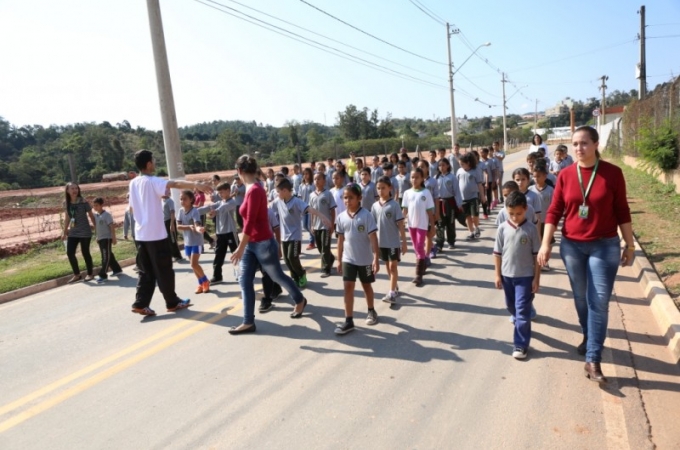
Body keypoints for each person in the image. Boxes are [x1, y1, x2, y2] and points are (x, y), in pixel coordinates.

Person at [537, 126, 635, 383]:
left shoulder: (613, 174)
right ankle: (588, 334)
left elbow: (622, 211)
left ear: (595, 144)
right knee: (581, 297)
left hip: (605, 246)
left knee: (599, 300)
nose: (578, 148)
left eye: (584, 143)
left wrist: (629, 244)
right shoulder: (566, 175)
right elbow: (554, 211)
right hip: (572, 246)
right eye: (575, 144)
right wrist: (546, 244)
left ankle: (593, 358)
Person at [229, 155, 309, 334]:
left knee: (277, 276)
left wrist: (240, 247)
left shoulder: (255, 190)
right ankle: (248, 321)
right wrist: (244, 246)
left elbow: (249, 222)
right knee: (244, 281)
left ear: (239, 171)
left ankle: (299, 299)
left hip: (263, 243)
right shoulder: (251, 187)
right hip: (251, 243)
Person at [128, 149, 212, 316]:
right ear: (149, 164)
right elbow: (175, 184)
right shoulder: (152, 181)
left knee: (146, 271)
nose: (155, 163)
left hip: (141, 235)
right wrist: (196, 185)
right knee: (164, 270)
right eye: (154, 161)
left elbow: (131, 208)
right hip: (156, 235)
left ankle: (140, 303)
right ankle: (172, 302)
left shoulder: (133, 183)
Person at [493, 191, 541, 360]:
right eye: (511, 213)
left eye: (518, 213)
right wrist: (497, 275)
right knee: (511, 307)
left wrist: (536, 278)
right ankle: (521, 322)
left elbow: (537, 256)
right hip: (507, 277)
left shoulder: (531, 229)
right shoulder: (502, 228)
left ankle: (520, 344)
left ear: (526, 209)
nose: (514, 217)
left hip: (525, 277)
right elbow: (497, 254)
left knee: (522, 311)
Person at [334, 183, 381, 335]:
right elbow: (340, 240)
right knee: (348, 286)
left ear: (359, 198)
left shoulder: (366, 215)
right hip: (349, 259)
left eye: (351, 198)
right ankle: (348, 320)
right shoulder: (341, 217)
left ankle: (371, 310)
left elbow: (373, 238)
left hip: (365, 259)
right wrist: (339, 259)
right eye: (345, 198)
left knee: (366, 286)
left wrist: (376, 258)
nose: (347, 201)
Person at [273, 178, 332, 288]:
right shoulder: (278, 201)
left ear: (285, 191)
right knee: (286, 260)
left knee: (292, 257)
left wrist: (322, 216)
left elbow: (310, 209)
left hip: (295, 235)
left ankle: (301, 274)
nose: (277, 194)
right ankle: (295, 278)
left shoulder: (296, 201)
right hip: (284, 236)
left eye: (278, 191)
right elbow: (267, 207)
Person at [372, 176, 407, 304]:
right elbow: (372, 226)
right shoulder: (375, 206)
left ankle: (391, 293)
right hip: (382, 243)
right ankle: (394, 285)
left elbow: (401, 225)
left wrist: (403, 242)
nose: (380, 191)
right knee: (387, 266)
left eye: (383, 188)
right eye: (378, 188)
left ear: (389, 188)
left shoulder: (394, 205)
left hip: (393, 242)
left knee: (393, 267)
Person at [402, 168, 436, 286]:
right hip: (411, 225)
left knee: (420, 247)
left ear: (422, 178)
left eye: (417, 177)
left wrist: (433, 226)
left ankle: (418, 275)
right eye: (412, 177)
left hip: (422, 225)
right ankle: (423, 263)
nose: (414, 179)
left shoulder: (426, 193)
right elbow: (405, 210)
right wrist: (400, 222)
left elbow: (430, 211)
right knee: (417, 249)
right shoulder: (407, 193)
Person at [201, 182, 238, 284]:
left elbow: (223, 208)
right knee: (218, 255)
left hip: (230, 232)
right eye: (219, 193)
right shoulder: (220, 202)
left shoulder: (232, 202)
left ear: (228, 190)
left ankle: (242, 273)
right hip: (220, 233)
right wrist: (194, 211)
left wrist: (215, 212)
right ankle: (217, 276)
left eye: (222, 192)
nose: (220, 194)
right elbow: (209, 207)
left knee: (236, 254)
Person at [176, 190, 211, 294]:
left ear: (191, 200)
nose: (182, 201)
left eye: (185, 199)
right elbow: (178, 226)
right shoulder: (180, 211)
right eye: (181, 199)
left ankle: (205, 281)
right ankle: (201, 283)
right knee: (192, 265)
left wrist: (198, 228)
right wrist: (188, 227)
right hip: (187, 242)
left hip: (196, 241)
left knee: (194, 263)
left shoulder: (194, 211)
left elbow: (197, 223)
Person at [62, 182, 96, 283]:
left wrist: (97, 229)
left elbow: (91, 215)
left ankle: (90, 274)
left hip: (85, 231)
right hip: (73, 232)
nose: (74, 190)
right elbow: (67, 217)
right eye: (72, 189)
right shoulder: (66, 203)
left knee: (85, 252)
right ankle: (77, 274)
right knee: (70, 253)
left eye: (76, 188)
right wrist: (64, 232)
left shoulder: (84, 201)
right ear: (67, 191)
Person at [308, 172, 337, 278]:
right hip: (316, 226)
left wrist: (332, 224)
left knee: (325, 248)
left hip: (326, 226)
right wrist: (311, 225)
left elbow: (332, 210)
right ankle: (331, 258)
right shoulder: (311, 195)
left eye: (319, 179)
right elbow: (311, 211)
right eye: (315, 179)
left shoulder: (328, 194)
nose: (316, 181)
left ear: (324, 181)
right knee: (320, 248)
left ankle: (326, 269)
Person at [92, 197, 122, 283]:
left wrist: (114, 237)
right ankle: (117, 269)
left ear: (101, 205)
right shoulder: (96, 215)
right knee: (109, 255)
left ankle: (103, 275)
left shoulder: (106, 215)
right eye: (94, 206)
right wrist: (97, 236)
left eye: (97, 205)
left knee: (105, 257)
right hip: (100, 238)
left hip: (107, 238)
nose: (95, 207)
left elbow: (111, 227)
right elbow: (97, 228)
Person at [418, 159, 441, 265]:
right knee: (422, 236)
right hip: (419, 213)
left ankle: (426, 256)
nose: (420, 168)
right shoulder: (416, 181)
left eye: (422, 166)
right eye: (419, 167)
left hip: (429, 212)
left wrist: (437, 212)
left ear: (427, 168)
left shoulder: (433, 181)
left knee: (428, 234)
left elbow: (436, 198)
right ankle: (432, 247)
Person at [457, 153, 485, 241]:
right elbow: (456, 185)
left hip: (473, 197)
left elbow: (480, 184)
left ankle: (477, 227)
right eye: (460, 164)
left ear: (468, 163)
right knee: (468, 217)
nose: (460, 166)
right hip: (463, 198)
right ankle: (471, 232)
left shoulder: (476, 170)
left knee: (474, 216)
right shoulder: (459, 171)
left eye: (462, 164)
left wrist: (483, 196)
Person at [513, 168, 543, 241]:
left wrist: (538, 235)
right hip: (514, 231)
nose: (520, 182)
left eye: (523, 179)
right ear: (513, 180)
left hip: (530, 231)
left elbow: (537, 217)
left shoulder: (534, 196)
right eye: (517, 180)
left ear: (528, 180)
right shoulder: (511, 196)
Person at [162, 191, 183, 262]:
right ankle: (172, 255)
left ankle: (177, 255)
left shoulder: (170, 201)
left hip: (170, 221)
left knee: (172, 239)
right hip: (164, 222)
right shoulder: (163, 201)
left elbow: (172, 213)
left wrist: (172, 224)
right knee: (167, 240)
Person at [299, 167, 316, 250]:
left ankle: (311, 242)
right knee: (305, 226)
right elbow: (300, 197)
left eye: (307, 174)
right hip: (303, 208)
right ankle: (315, 235)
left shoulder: (313, 185)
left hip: (310, 208)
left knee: (309, 225)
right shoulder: (301, 185)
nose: (305, 176)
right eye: (304, 174)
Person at [193, 186, 215, 250]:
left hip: (201, 213)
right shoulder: (195, 195)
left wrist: (193, 206)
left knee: (201, 229)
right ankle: (210, 241)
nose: (194, 188)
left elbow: (201, 205)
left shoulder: (201, 195)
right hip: (195, 213)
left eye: (196, 187)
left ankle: (203, 246)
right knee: (198, 229)